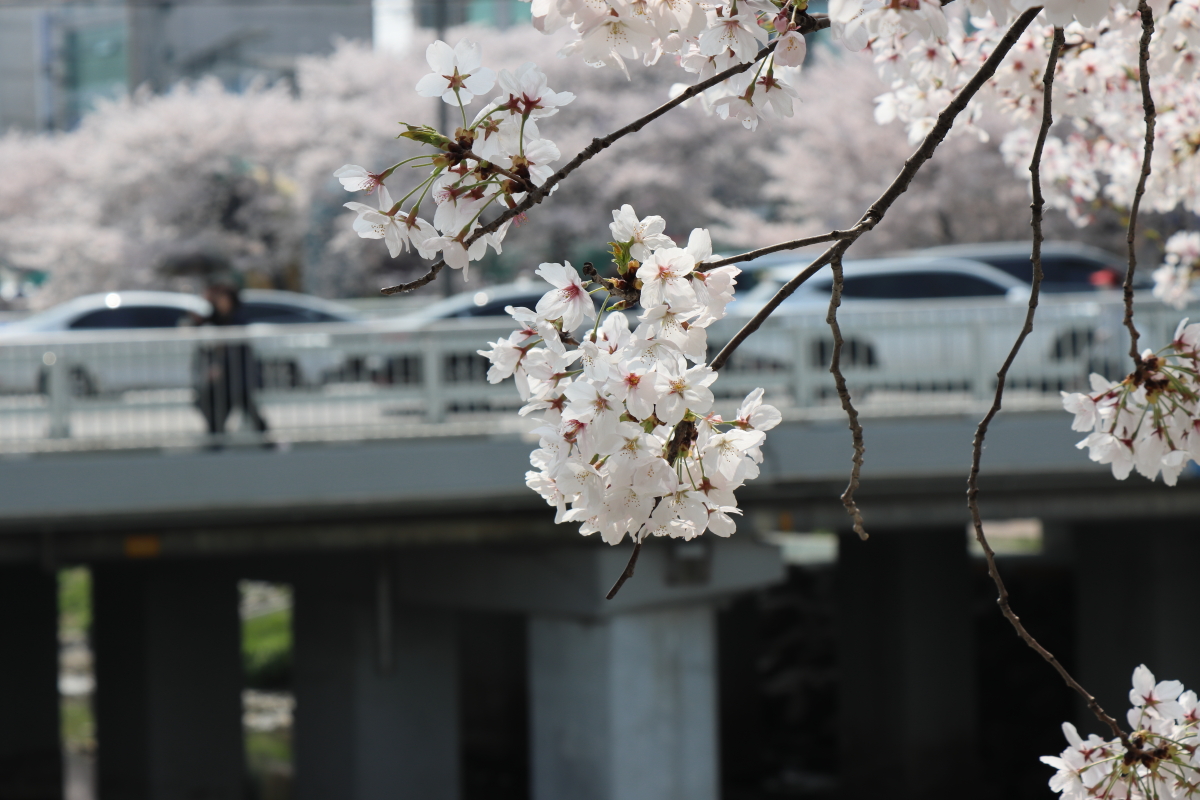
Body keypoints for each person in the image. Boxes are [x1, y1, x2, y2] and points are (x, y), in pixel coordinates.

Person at [193, 283, 269, 440]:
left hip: (238, 374)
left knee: (241, 406)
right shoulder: (217, 318)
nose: (221, 303)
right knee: (218, 406)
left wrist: (220, 364)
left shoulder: (238, 319)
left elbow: (235, 349)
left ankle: (217, 440)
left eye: (224, 299)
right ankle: (217, 440)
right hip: (227, 377)